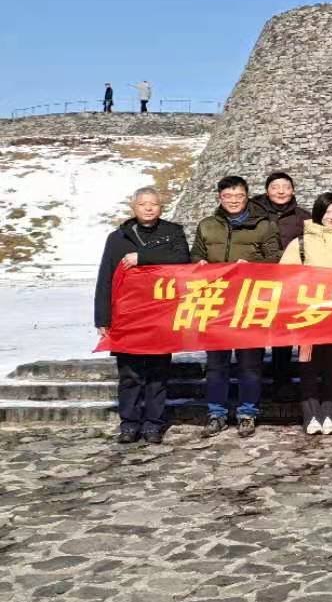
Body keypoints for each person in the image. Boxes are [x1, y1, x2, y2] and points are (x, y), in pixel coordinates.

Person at [95, 187, 191, 444]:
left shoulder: (172, 232)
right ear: (133, 207)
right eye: (143, 204)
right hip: (127, 316)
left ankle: (153, 424)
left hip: (161, 315)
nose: (148, 208)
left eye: (153, 204)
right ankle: (129, 423)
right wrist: (102, 318)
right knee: (130, 374)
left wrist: (143, 257)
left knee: (158, 373)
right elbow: (105, 278)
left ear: (161, 207)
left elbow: (182, 258)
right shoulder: (117, 238)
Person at [192, 176, 282, 438]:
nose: (233, 201)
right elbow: (196, 254)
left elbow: (276, 258)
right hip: (216, 303)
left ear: (247, 196)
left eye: (239, 196)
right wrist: (199, 263)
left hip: (250, 302)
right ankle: (216, 413)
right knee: (216, 364)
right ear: (219, 198)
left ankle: (247, 413)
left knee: (249, 363)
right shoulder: (207, 225)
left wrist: (252, 266)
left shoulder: (264, 225)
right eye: (228, 196)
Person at [280, 192, 332, 435]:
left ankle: (328, 414)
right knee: (309, 365)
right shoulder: (301, 243)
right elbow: (285, 275)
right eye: (328, 212)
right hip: (309, 313)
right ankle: (310, 414)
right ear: (318, 213)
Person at [251, 171, 305, 389]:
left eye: (286, 187)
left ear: (293, 190)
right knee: (255, 331)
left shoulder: (303, 217)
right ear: (267, 191)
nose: (281, 191)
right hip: (258, 281)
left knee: (283, 332)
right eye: (275, 187)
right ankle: (254, 384)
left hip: (289, 283)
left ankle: (282, 382)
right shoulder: (252, 213)